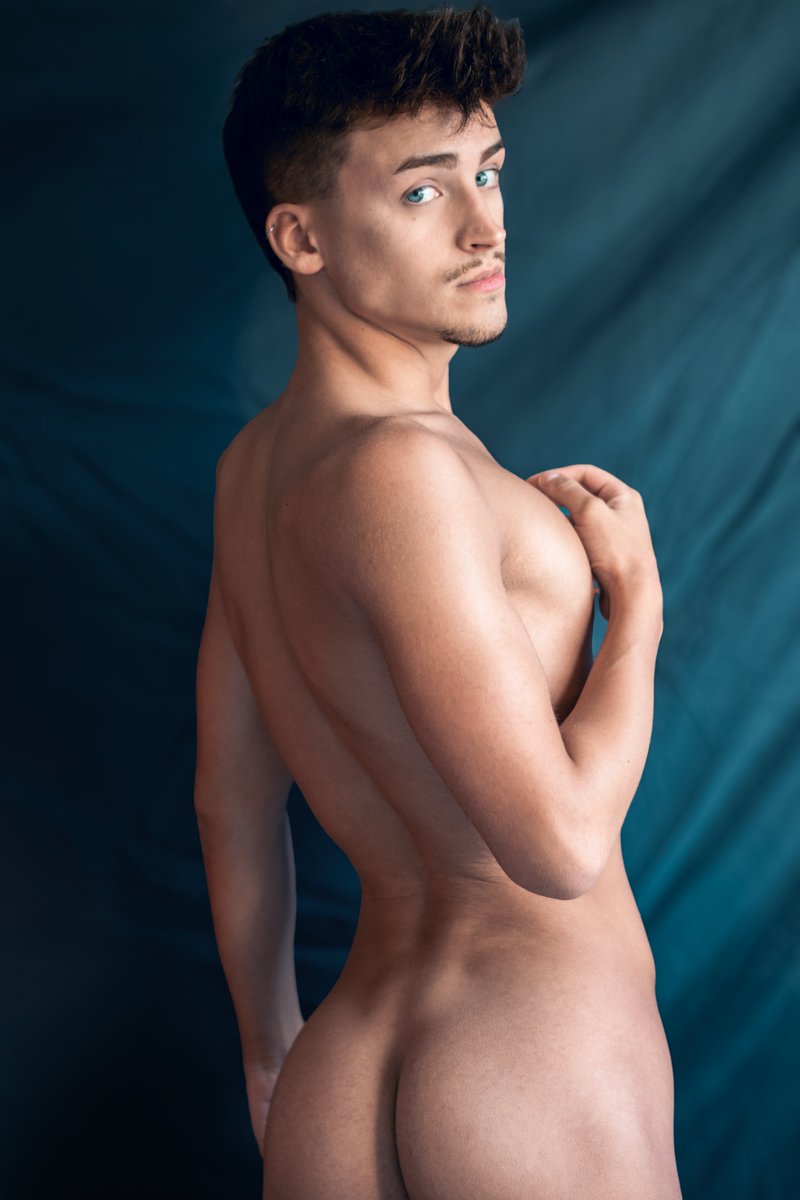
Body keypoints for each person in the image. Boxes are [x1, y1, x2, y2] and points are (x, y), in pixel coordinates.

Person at [194, 5, 682, 1197]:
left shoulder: (251, 472)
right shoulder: (405, 469)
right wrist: (636, 615)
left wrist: (269, 1048)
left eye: (488, 172)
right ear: (299, 236)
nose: (483, 223)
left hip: (342, 1067)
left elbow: (230, 798)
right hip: (528, 1048)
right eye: (422, 191)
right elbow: (558, 848)